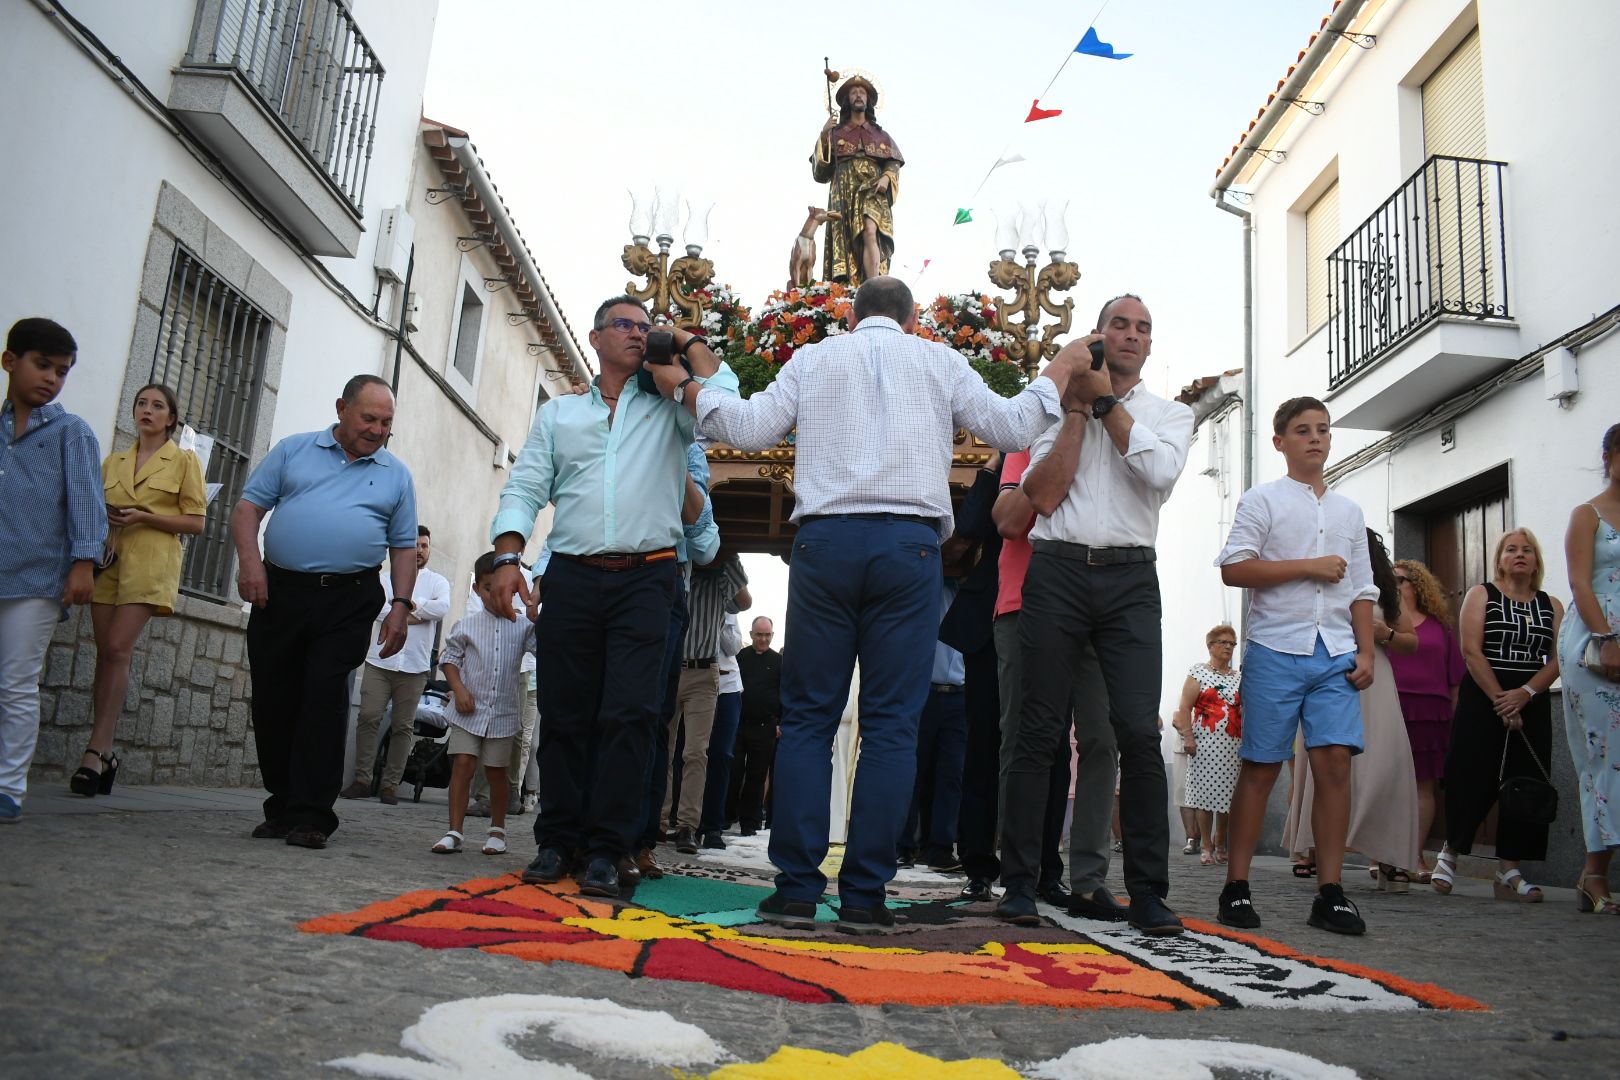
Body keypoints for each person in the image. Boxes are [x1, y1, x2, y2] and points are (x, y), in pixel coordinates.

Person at [646, 275, 1079, 933]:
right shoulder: (938, 360)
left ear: (851, 318)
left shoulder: (816, 358)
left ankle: (795, 889)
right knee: (891, 727)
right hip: (908, 550)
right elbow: (1015, 423)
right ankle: (865, 896)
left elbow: (751, 428)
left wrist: (684, 385)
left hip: (827, 543)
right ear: (910, 321)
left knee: (810, 718)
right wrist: (1066, 364)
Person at [489, 296, 737, 899]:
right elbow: (525, 486)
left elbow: (724, 392)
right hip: (572, 576)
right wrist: (506, 555)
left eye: (644, 326)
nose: (638, 333)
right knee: (568, 712)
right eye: (624, 325)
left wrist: (679, 340)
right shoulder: (561, 416)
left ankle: (607, 848)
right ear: (596, 339)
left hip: (648, 581)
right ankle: (557, 841)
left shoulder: (674, 410)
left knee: (630, 715)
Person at [997, 294, 1193, 936]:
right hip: (1056, 570)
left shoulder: (1172, 416)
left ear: (1149, 344)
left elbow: (1158, 475)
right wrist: (1079, 409)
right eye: (1120, 325)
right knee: (1037, 731)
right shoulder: (1055, 411)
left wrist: (1106, 405)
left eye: (1143, 328)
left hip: (1131, 578)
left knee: (1137, 731)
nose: (1132, 336)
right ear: (1099, 336)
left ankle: (1149, 893)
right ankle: (1021, 884)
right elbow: (1043, 497)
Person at [230, 374, 418, 849]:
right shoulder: (294, 451)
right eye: (369, 418)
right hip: (280, 592)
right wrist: (250, 565)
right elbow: (247, 510)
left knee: (323, 695)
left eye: (386, 422)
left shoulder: (396, 474)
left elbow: (401, 548)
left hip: (348, 598)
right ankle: (282, 804)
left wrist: (399, 607)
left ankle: (313, 813)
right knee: (274, 700)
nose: (377, 430)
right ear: (341, 408)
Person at [1214, 397, 1377, 936]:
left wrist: (1367, 650)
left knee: (1335, 764)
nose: (1316, 438)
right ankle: (1236, 886)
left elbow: (1361, 588)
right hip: (1275, 650)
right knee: (1261, 767)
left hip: (1335, 654)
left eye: (1324, 430)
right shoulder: (1262, 500)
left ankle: (1330, 891)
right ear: (1280, 442)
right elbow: (1235, 569)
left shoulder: (1350, 512)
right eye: (1303, 430)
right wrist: (1307, 566)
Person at [974, 447, 1117, 917]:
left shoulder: (1114, 437)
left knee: (1100, 740)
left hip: (1098, 606)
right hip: (1022, 602)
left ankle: (1086, 881)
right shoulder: (1025, 446)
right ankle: (1020, 874)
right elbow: (1010, 523)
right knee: (1025, 742)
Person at [73, 383, 205, 796]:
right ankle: (106, 752)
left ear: (171, 418)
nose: (147, 411)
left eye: (158, 406)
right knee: (106, 655)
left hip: (150, 564)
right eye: (142, 404)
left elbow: (196, 522)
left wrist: (146, 517)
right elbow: (92, 511)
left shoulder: (183, 462)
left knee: (117, 648)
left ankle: (95, 751)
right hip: (108, 560)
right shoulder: (113, 462)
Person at [0, 318, 105, 824]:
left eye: (61, 371)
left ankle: (8, 787)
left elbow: (86, 501)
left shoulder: (71, 433)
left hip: (38, 580)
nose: (51, 379)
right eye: (42, 365)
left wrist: (82, 564)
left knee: (17, 681)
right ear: (9, 361)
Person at [1284, 530, 1423, 889]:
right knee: (1327, 764)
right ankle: (1319, 854)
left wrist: (1383, 634)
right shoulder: (1319, 578)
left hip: (1374, 681)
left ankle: (1390, 857)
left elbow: (1410, 641)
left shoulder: (1384, 589)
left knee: (1384, 766)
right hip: (1325, 676)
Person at [1432, 528, 1563, 900]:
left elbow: (1558, 659)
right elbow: (1471, 651)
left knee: (1527, 781)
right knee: (1471, 771)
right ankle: (1451, 852)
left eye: (1526, 550)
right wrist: (1500, 699)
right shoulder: (1481, 595)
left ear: (1536, 560)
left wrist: (1524, 694)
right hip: (1484, 693)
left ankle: (1509, 868)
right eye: (1511, 550)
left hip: (1531, 695)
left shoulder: (1551, 605)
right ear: (1499, 560)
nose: (1519, 555)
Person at [432, 552, 538, 856]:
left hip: (503, 713)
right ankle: (454, 830)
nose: (495, 595)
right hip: (469, 711)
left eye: (502, 588)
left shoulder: (521, 626)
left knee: (496, 771)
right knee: (463, 764)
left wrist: (534, 613)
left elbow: (542, 646)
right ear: (478, 589)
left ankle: (497, 830)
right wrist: (458, 689)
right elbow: (449, 660)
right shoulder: (466, 626)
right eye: (488, 588)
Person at [343, 525, 450, 805]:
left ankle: (390, 785)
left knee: (403, 727)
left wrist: (406, 607)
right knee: (368, 717)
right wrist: (417, 614)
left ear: (429, 549)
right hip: (380, 661)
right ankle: (362, 779)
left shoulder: (438, 582)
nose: (418, 550)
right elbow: (376, 609)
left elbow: (441, 609)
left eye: (424, 545)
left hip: (414, 667)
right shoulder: (383, 580)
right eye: (414, 544)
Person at [1560, 422, 1620, 914]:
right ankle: (1595, 873)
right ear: (1609, 456)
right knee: (1605, 754)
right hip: (1594, 642)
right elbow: (1579, 584)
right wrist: (1608, 639)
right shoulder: (1589, 515)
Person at [663, 552, 748, 852]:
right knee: (663, 747)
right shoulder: (676, 572)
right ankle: (658, 821)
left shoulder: (720, 580)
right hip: (671, 668)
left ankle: (687, 826)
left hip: (703, 671)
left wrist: (729, 555)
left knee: (696, 753)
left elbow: (745, 601)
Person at [1386, 558, 1464, 881]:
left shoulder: (1440, 627)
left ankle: (1415, 856)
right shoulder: (1381, 621)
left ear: (1416, 585)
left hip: (1432, 712)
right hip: (1391, 706)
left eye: (1400, 580)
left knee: (1423, 786)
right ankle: (1385, 855)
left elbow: (1455, 678)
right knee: (1387, 784)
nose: (1395, 586)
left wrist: (1453, 716)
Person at [901, 540, 973, 870]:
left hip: (959, 696)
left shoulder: (974, 598)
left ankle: (941, 848)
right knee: (913, 771)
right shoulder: (932, 587)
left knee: (951, 775)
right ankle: (903, 844)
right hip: (925, 692)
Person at [811, 75, 903, 285]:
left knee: (871, 230)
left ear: (868, 100)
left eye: (862, 92)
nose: (858, 95)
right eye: (854, 92)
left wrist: (887, 178)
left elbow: (893, 163)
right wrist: (824, 135)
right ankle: (849, 285)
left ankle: (874, 286)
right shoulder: (835, 133)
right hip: (844, 189)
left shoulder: (882, 135)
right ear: (847, 100)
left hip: (873, 187)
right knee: (847, 238)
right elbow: (820, 173)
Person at [1172, 625, 1242, 867]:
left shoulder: (1238, 677)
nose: (1228, 647)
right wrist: (1188, 738)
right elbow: (1184, 708)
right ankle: (1206, 845)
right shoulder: (1198, 672)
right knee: (1203, 797)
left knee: (1227, 797)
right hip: (1204, 744)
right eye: (1223, 642)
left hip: (1232, 745)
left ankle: (1220, 840)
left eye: (1232, 644)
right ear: (1210, 645)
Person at [731, 616, 781, 836]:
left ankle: (749, 823)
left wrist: (780, 722)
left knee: (757, 776)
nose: (763, 639)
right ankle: (726, 816)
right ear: (751, 635)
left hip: (765, 726)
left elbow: (785, 693)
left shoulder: (779, 662)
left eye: (767, 635)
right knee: (732, 772)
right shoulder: (740, 657)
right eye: (759, 634)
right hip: (739, 724)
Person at [699, 610, 745, 849]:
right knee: (692, 753)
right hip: (696, 680)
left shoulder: (730, 607)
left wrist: (725, 615)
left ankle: (712, 826)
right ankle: (686, 821)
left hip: (727, 688)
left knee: (721, 755)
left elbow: (734, 647)